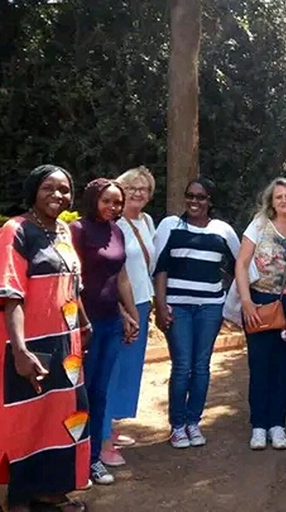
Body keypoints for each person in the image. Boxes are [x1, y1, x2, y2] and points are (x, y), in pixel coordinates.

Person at [0, 165, 91, 512]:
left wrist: (85, 322)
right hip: (30, 345)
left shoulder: (64, 231)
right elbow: (12, 296)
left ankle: (52, 492)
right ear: (33, 191)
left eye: (65, 189)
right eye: (48, 188)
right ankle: (19, 497)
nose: (58, 195)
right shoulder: (15, 231)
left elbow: (72, 284)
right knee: (28, 419)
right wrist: (20, 350)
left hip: (67, 346)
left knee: (64, 415)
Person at [154, 178, 240, 449]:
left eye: (201, 197)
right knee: (182, 366)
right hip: (177, 307)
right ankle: (177, 426)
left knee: (201, 366)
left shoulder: (223, 230)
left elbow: (243, 265)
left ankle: (194, 422)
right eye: (190, 196)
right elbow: (160, 268)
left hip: (210, 308)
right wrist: (160, 304)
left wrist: (231, 300)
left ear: (209, 201)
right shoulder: (170, 225)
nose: (194, 201)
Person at [71, 178, 140, 486]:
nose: (112, 207)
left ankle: (93, 460)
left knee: (100, 392)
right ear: (92, 199)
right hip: (83, 326)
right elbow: (72, 281)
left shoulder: (117, 231)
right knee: (78, 394)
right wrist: (82, 322)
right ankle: (71, 459)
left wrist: (129, 312)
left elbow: (119, 277)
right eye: (106, 201)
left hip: (111, 323)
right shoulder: (77, 231)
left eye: (117, 202)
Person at [235, 178, 286, 451]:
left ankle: (278, 424)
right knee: (260, 363)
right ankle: (259, 425)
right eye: (279, 197)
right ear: (271, 201)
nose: (285, 200)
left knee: (283, 366)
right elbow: (241, 263)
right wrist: (246, 301)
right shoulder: (259, 224)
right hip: (260, 301)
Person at [99, 166, 156, 465]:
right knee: (110, 370)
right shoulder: (114, 224)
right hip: (120, 307)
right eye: (132, 188)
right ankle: (103, 441)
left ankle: (112, 426)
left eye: (144, 189)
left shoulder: (147, 221)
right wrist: (124, 310)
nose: (138, 193)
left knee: (128, 371)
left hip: (143, 302)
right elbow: (110, 273)